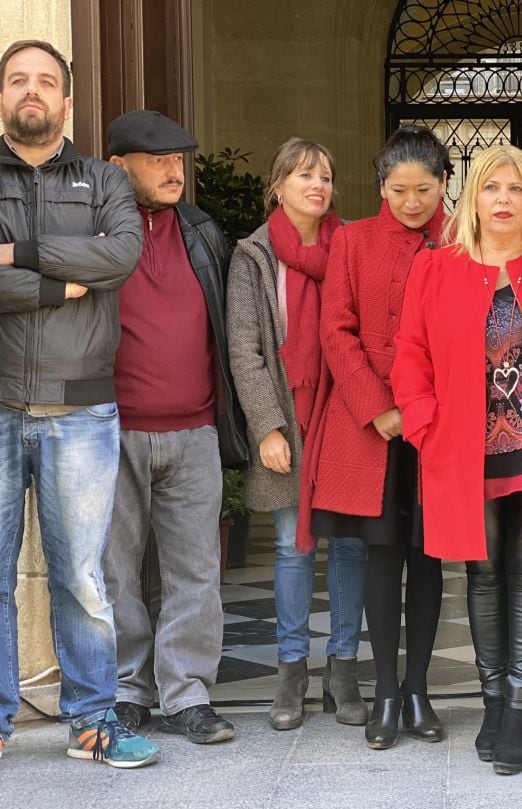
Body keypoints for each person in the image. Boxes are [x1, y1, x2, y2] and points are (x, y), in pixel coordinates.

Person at [392, 145, 522, 775]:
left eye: (515, 188)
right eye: (490, 188)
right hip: (464, 450)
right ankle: (491, 701)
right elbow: (410, 354)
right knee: (482, 575)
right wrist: (425, 425)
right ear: (471, 199)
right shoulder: (436, 269)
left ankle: (521, 711)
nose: (503, 200)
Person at [0, 39, 159, 767]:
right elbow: (92, 265)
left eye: (45, 82)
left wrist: (18, 253)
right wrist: (65, 277)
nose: (31, 91)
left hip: (82, 412)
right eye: (17, 81)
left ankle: (93, 721)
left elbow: (119, 257)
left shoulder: (103, 180)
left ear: (68, 101)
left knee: (82, 579)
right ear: (3, 96)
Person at [100, 110, 247, 745]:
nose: (174, 171)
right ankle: (127, 689)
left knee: (196, 570)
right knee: (115, 570)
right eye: (158, 159)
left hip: (194, 433)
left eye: (179, 159)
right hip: (111, 430)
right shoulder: (96, 232)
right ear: (117, 167)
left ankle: (187, 694)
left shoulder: (204, 233)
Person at [311, 125, 450, 750]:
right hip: (368, 430)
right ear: (382, 187)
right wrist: (378, 408)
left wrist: (422, 409)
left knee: (428, 557)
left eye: (424, 189)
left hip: (438, 426)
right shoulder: (352, 240)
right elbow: (336, 332)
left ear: (445, 184)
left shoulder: (459, 242)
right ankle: (386, 694)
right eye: (399, 190)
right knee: (379, 555)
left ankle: (419, 689)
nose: (412, 202)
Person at [227, 138, 367, 731]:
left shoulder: (350, 246)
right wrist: (268, 427)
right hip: (288, 421)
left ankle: (343, 667)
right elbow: (246, 349)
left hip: (345, 420)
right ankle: (291, 671)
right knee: (292, 547)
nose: (318, 185)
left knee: (351, 545)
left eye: (326, 175)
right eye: (305, 174)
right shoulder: (254, 256)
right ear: (277, 185)